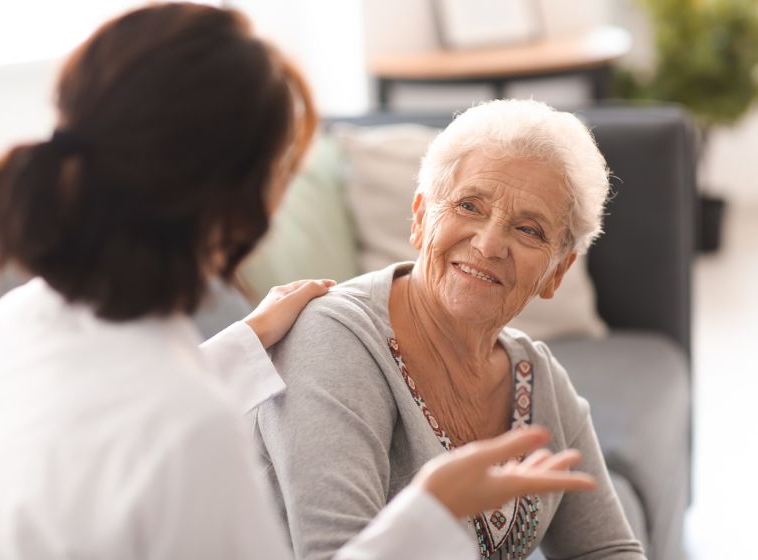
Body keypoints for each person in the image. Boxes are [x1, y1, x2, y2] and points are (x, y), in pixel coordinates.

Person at [0, 5, 597, 560]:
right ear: (243, 201)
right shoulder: (191, 428)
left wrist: (240, 345)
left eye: (529, 230)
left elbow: (107, 429)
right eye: (285, 166)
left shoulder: (11, 324)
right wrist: (431, 512)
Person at [255, 99, 648, 560]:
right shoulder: (334, 339)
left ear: (557, 273)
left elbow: (608, 550)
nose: (489, 243)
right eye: (469, 206)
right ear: (420, 219)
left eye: (529, 230)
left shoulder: (537, 378)